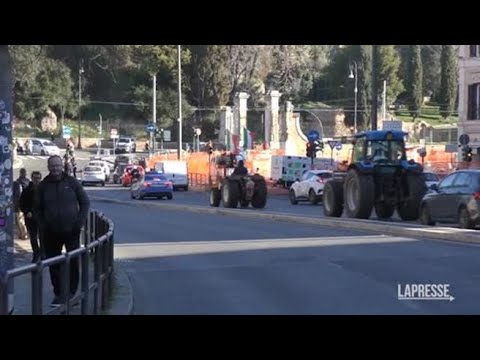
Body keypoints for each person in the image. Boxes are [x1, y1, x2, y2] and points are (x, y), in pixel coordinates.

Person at [35, 155, 90, 306]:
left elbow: (85, 202)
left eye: (57, 166)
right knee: (54, 264)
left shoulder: (72, 182)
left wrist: (79, 222)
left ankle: (72, 294)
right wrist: (43, 224)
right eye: (52, 166)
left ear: (62, 166)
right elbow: (37, 209)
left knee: (73, 262)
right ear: (48, 167)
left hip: (71, 230)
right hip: (51, 232)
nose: (55, 169)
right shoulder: (43, 186)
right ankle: (59, 294)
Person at [19, 171, 43, 262]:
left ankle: (42, 253)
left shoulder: (43, 189)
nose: (37, 180)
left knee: (42, 236)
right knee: (33, 237)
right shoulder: (27, 190)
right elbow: (21, 203)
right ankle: (36, 253)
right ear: (32, 179)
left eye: (38, 178)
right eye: (35, 178)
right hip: (31, 217)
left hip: (42, 217)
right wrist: (27, 211)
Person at [13, 168, 30, 240]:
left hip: (19, 204)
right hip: (26, 204)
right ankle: (22, 234)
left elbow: (16, 194)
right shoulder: (28, 182)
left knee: (19, 220)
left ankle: (23, 234)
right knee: (22, 220)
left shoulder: (17, 182)